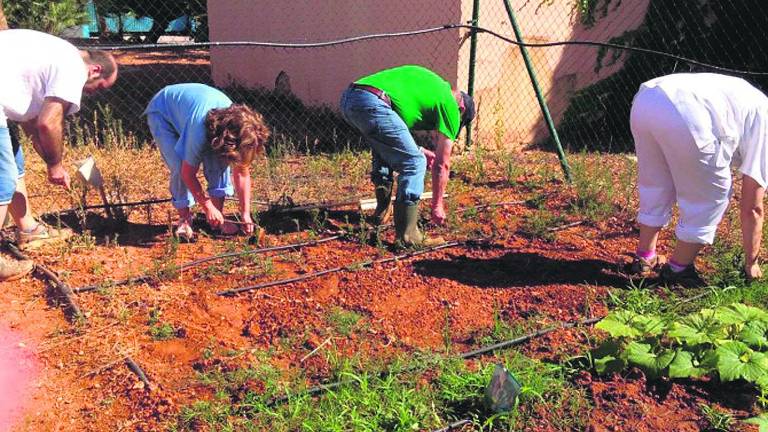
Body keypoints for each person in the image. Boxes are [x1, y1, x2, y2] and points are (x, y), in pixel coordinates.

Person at [0, 29, 118, 280]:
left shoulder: (58, 55)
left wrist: (52, 163)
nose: (94, 92)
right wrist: (55, 166)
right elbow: (48, 123)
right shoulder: (72, 66)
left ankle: (29, 229)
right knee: (3, 180)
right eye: (99, 88)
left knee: (14, 163)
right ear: (95, 70)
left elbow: (31, 125)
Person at [628, 72, 768, 284]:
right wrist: (751, 263)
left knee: (657, 183)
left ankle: (644, 258)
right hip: (689, 113)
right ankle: (677, 270)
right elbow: (752, 208)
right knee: (711, 195)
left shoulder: (756, 101)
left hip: (648, 98)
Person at [340, 65, 475, 246]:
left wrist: (418, 149)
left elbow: (391, 137)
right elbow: (443, 165)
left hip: (352, 97)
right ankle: (408, 236)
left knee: (384, 152)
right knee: (414, 163)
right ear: (461, 109)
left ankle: (381, 213)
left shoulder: (433, 86)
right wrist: (437, 206)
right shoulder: (451, 106)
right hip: (374, 102)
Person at [144, 83, 271, 241]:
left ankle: (217, 220)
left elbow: (242, 173)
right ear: (229, 141)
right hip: (163, 113)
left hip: (193, 113)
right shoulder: (199, 132)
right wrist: (207, 206)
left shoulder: (240, 131)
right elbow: (187, 173)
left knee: (219, 161)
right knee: (178, 165)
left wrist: (245, 214)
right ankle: (184, 220)